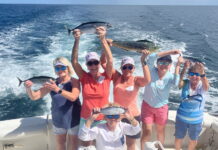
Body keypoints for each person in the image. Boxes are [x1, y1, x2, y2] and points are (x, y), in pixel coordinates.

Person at [24, 57, 81, 150]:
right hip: (58, 119)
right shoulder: (51, 82)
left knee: (73, 144)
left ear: (68, 68)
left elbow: (73, 97)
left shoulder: (74, 81)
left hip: (74, 119)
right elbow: (35, 97)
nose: (60, 70)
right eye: (57, 68)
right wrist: (28, 88)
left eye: (62, 67)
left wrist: (57, 89)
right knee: (60, 144)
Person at [101, 48, 151, 150]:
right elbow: (103, 62)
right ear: (121, 68)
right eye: (125, 67)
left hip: (132, 116)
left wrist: (143, 61)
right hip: (116, 116)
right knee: (114, 143)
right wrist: (106, 48)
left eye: (130, 67)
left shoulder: (136, 80)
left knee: (131, 144)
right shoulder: (116, 76)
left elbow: (147, 80)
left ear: (133, 68)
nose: (127, 69)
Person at [72, 26, 113, 147]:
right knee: (86, 146)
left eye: (96, 62)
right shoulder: (84, 77)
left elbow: (110, 60)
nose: (93, 65)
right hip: (86, 118)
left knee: (104, 146)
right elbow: (74, 62)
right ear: (87, 65)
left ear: (99, 63)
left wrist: (103, 39)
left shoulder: (107, 76)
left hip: (104, 119)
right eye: (90, 63)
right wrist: (77, 40)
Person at [140, 50, 183, 150]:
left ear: (170, 65)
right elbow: (151, 57)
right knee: (147, 131)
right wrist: (171, 52)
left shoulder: (170, 76)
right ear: (157, 64)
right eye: (161, 62)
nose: (163, 65)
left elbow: (176, 83)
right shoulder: (151, 70)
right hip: (147, 106)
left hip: (162, 108)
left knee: (160, 131)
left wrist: (178, 65)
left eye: (166, 63)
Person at [174, 61, 209, 150]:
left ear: (200, 76)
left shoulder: (202, 86)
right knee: (178, 138)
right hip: (181, 118)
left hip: (196, 121)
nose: (194, 76)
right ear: (189, 75)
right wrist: (184, 68)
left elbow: (207, 87)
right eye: (192, 74)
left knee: (193, 140)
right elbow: (179, 83)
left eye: (197, 74)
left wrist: (202, 73)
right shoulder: (185, 83)